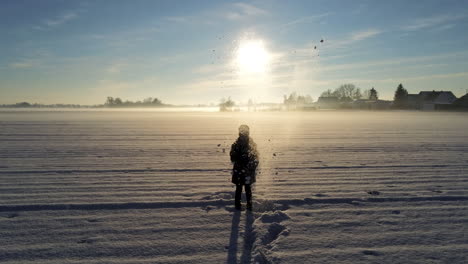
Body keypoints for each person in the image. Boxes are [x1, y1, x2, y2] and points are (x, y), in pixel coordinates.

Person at [230, 124, 259, 210]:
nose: (243, 134)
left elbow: (256, 157)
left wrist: (252, 165)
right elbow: (232, 157)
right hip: (240, 170)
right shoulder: (236, 144)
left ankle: (248, 206)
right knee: (240, 188)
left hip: (246, 170)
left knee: (247, 188)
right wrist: (240, 159)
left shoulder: (251, 143)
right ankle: (239, 206)